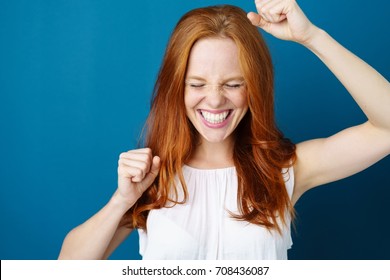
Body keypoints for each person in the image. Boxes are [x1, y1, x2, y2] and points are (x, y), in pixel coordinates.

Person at [58, 0, 390, 260]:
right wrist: (121, 201)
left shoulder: (284, 170)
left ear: (254, 88)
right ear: (178, 88)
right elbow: (66, 267)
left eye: (233, 84)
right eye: (197, 84)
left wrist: (311, 36)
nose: (215, 101)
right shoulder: (152, 178)